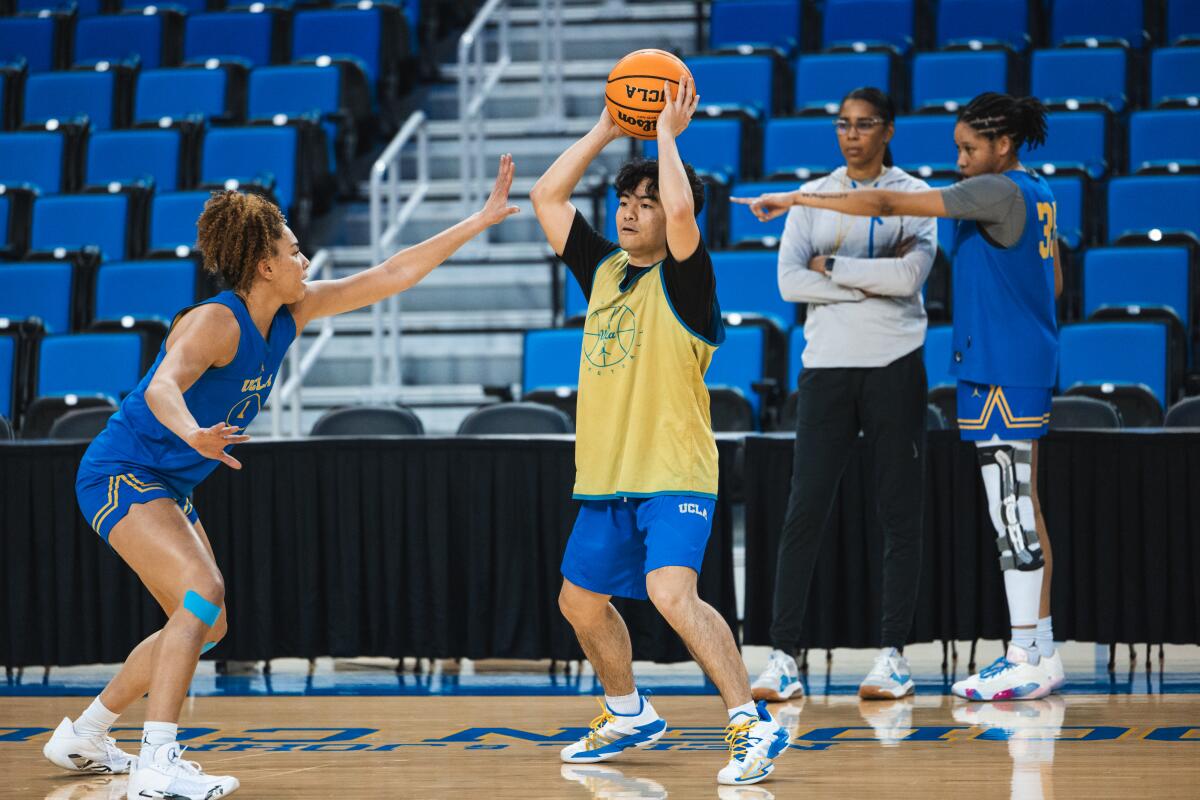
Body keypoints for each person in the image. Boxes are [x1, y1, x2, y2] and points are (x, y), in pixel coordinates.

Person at [41, 157, 520, 800]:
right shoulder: (214, 321)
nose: (306, 260)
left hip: (167, 483)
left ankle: (88, 732)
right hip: (120, 472)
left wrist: (479, 220)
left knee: (208, 623)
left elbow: (391, 273)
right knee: (201, 591)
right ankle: (158, 762)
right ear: (265, 265)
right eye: (295, 250)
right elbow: (161, 384)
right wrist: (192, 434)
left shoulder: (291, 314)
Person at [734, 92, 1066, 701]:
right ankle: (1039, 646)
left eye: (969, 148)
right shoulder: (1041, 191)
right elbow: (1057, 279)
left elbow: (889, 209)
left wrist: (792, 199)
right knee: (1024, 508)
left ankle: (1024, 653)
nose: (960, 160)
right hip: (1020, 360)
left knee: (1011, 512)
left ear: (1003, 145)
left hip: (998, 366)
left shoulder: (996, 190)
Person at [529, 76, 789, 786]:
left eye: (647, 203)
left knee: (673, 593)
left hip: (674, 468)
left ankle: (751, 723)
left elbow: (681, 207)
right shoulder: (603, 269)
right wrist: (609, 131)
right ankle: (627, 711)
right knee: (578, 603)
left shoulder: (689, 279)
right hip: (608, 474)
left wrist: (665, 135)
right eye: (625, 201)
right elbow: (546, 198)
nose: (632, 212)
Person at [749, 87, 937, 705]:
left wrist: (833, 269)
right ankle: (782, 657)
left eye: (864, 125)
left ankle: (893, 656)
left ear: (887, 130)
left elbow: (910, 276)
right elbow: (787, 280)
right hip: (826, 368)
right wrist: (868, 284)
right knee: (804, 511)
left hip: (895, 364)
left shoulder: (914, 194)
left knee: (898, 513)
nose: (851, 134)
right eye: (843, 124)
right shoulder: (813, 196)